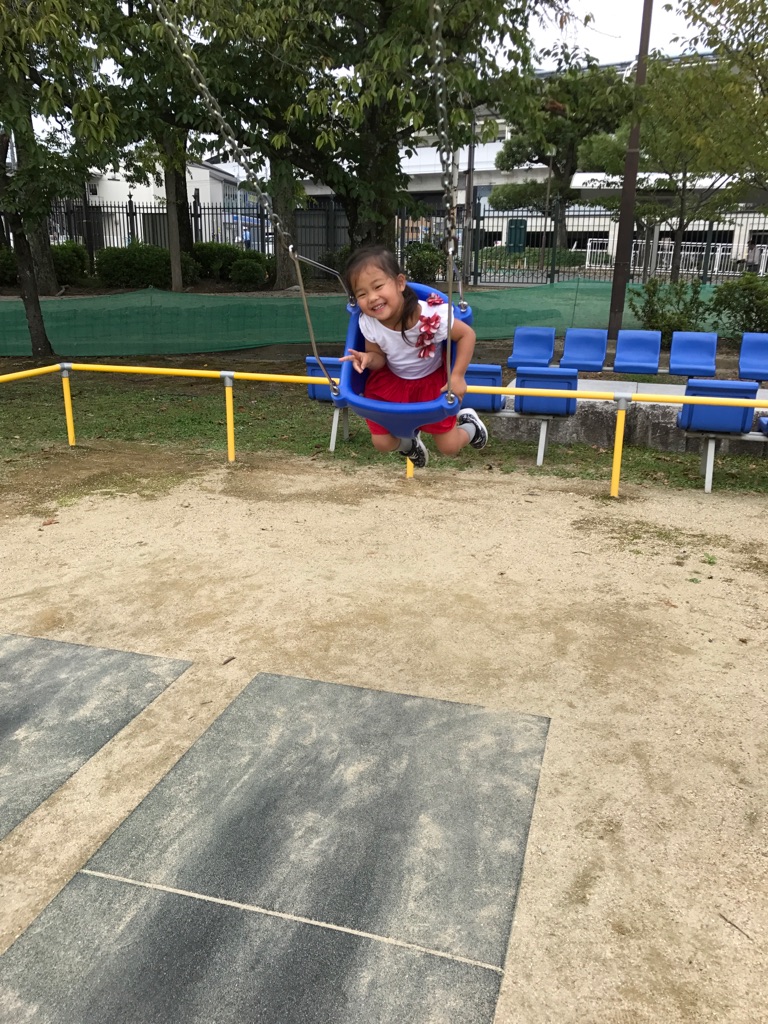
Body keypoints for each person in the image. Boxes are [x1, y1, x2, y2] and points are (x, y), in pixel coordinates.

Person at [340, 246, 488, 467]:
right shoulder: (368, 322)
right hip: (392, 382)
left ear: (400, 283)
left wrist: (457, 376)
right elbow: (378, 357)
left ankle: (471, 426)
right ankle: (409, 445)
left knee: (449, 447)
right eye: (362, 294)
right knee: (381, 442)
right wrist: (368, 359)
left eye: (378, 286)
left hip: (431, 382)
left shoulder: (430, 316)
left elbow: (467, 335)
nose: (372, 298)